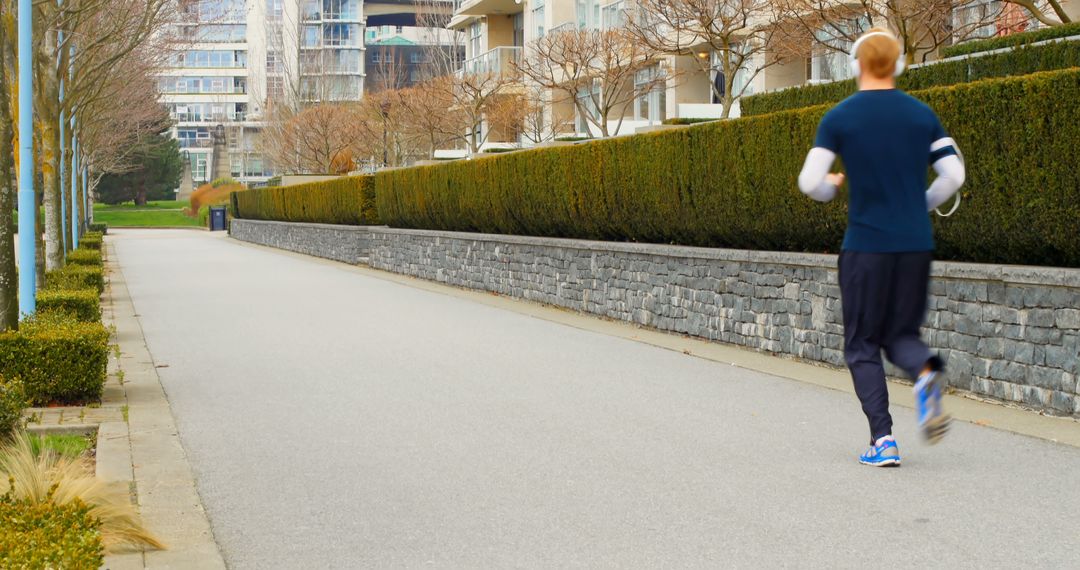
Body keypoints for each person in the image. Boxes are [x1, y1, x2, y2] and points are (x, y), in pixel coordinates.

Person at [797, 28, 966, 467]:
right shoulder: (921, 114)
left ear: (856, 66)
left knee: (862, 344)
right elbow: (954, 176)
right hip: (914, 244)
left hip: (866, 246)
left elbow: (809, 182)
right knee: (902, 336)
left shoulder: (839, 117)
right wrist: (920, 205)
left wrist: (832, 187)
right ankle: (926, 371)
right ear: (898, 65)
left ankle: (884, 440)